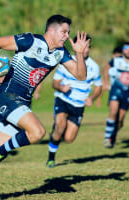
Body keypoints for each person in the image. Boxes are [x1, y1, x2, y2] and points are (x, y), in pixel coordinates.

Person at [0, 14, 89, 200]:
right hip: (7, 97)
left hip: (22, 102)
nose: (67, 36)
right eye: (64, 32)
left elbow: (81, 76)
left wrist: (79, 53)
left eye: (68, 32)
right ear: (51, 30)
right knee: (37, 132)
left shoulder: (61, 53)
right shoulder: (31, 41)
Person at [42, 35, 102, 168]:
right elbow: (55, 83)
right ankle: (51, 158)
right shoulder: (67, 63)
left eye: (88, 46)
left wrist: (92, 98)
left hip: (79, 105)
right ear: (76, 46)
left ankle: (57, 133)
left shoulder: (94, 67)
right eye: (83, 46)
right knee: (60, 126)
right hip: (63, 100)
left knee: (69, 138)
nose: (85, 49)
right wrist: (61, 87)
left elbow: (99, 87)